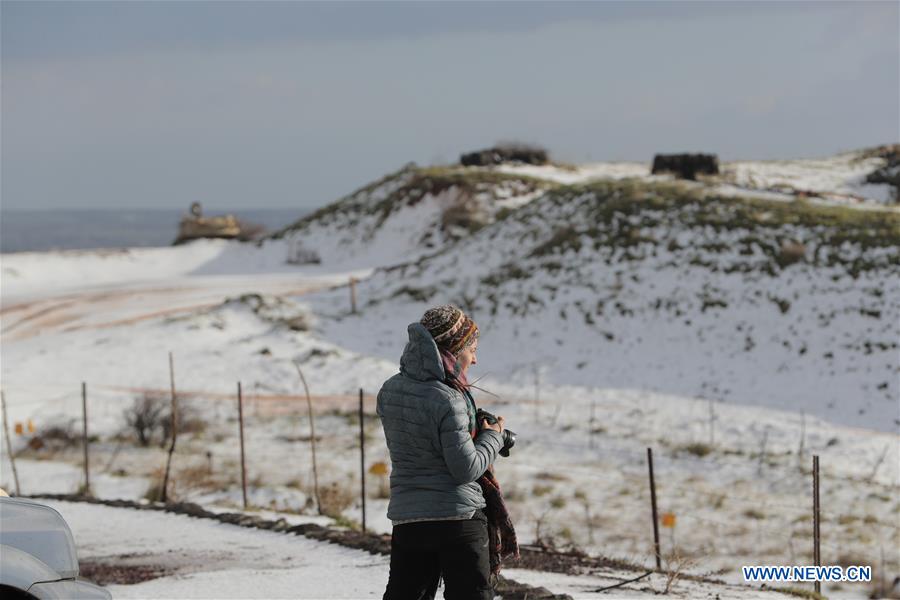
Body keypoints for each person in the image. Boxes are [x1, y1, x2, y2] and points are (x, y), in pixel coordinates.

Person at [377, 305, 517, 600]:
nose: (475, 359)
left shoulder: (390, 391)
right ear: (453, 350)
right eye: (472, 350)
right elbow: (466, 468)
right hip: (458, 519)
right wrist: (493, 437)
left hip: (408, 520)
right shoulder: (449, 398)